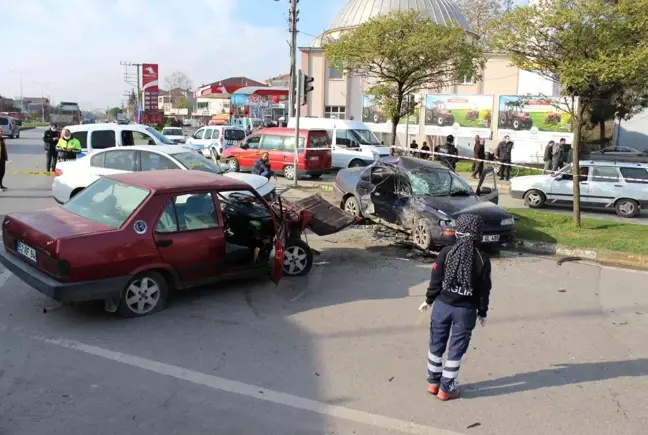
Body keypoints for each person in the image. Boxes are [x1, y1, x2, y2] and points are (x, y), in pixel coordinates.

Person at [419, 214, 492, 401]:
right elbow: (484, 290)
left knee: (436, 344)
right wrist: (482, 312)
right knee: (456, 349)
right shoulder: (482, 259)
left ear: (458, 230)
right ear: (477, 233)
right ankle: (446, 388)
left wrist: (428, 300)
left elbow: (435, 281)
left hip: (442, 307)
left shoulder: (446, 252)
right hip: (465, 311)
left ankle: (433, 383)